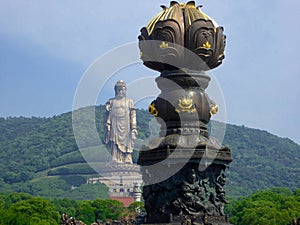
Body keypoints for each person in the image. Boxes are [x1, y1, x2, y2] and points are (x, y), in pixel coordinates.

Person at [104, 80, 138, 164]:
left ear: (125, 90)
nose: (120, 92)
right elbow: (107, 114)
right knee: (114, 141)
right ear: (115, 91)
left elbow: (133, 115)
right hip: (115, 123)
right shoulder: (111, 102)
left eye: (122, 89)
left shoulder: (129, 101)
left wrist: (133, 127)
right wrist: (107, 111)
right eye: (118, 90)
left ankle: (127, 158)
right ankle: (115, 158)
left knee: (127, 141)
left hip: (126, 124)